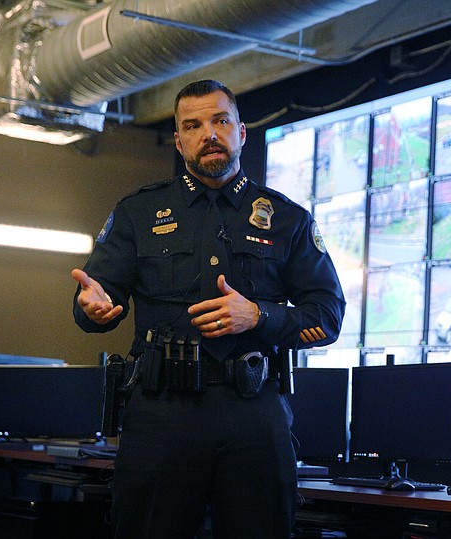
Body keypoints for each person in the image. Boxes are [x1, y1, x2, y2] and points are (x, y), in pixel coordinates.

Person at [72, 79, 346, 539]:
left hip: (253, 413)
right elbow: (94, 300)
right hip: (162, 413)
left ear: (241, 132)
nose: (209, 133)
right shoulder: (139, 212)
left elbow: (328, 316)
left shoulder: (288, 219)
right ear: (179, 142)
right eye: (193, 125)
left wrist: (258, 316)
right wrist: (90, 309)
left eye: (220, 120)